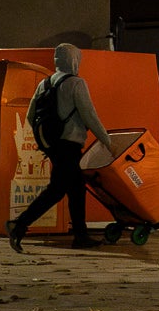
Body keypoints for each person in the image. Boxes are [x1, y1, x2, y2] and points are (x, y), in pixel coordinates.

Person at [8, 43, 113, 250]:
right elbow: (89, 115)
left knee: (76, 190)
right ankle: (18, 224)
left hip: (53, 147)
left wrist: (46, 140)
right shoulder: (76, 83)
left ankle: (81, 236)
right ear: (74, 60)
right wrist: (107, 141)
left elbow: (31, 116)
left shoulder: (44, 84)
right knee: (57, 190)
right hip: (69, 146)